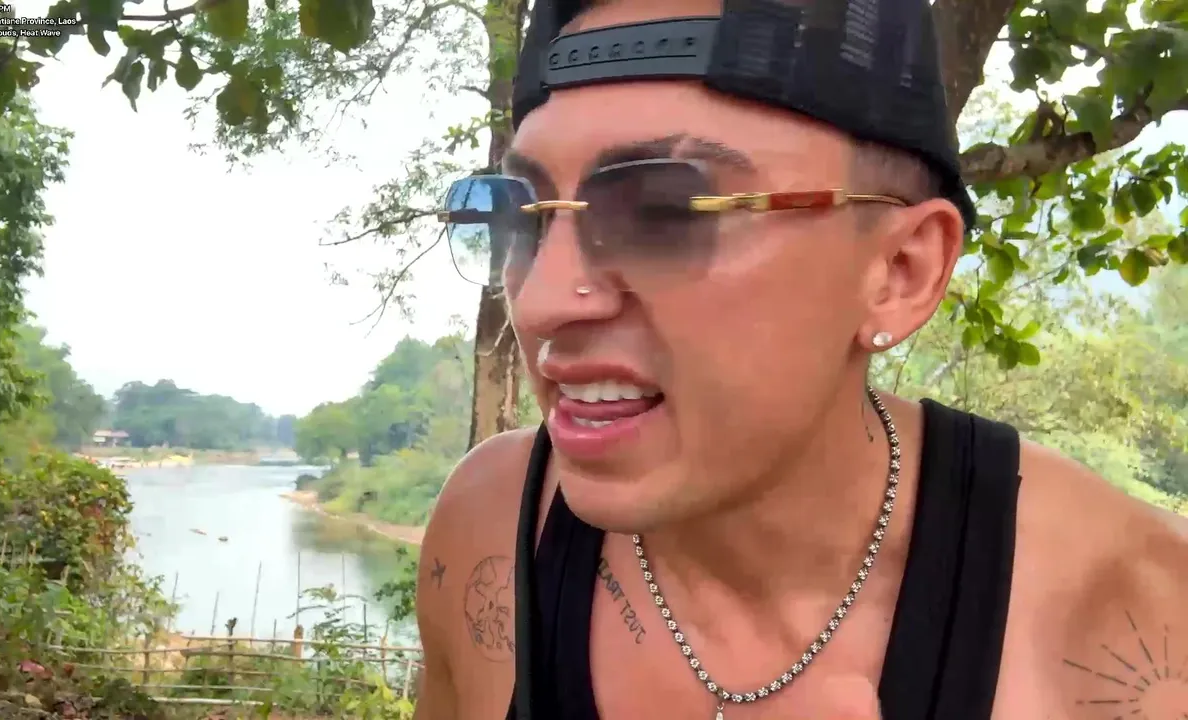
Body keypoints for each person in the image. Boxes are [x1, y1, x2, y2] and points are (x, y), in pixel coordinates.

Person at [413, 0, 1188, 718]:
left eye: (665, 213)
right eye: (524, 216)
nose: (542, 302)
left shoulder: (1141, 622)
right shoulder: (491, 521)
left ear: (900, 272)